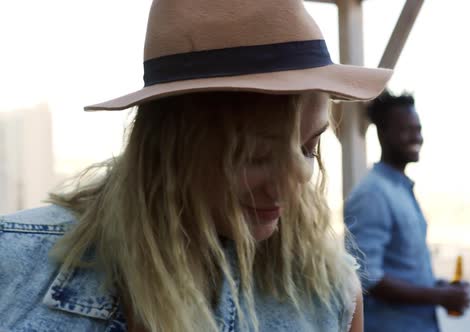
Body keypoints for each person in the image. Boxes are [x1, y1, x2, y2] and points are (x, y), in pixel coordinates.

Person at [0, 0, 393, 331]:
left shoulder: (329, 294)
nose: (294, 185)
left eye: (310, 147)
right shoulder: (13, 266)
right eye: (254, 156)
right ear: (169, 147)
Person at [344, 90, 470, 332]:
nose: (417, 137)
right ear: (383, 133)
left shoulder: (398, 189)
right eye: (406, 130)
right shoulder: (373, 194)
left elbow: (401, 268)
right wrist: (439, 296)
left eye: (418, 129)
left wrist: (439, 287)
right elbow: (368, 279)